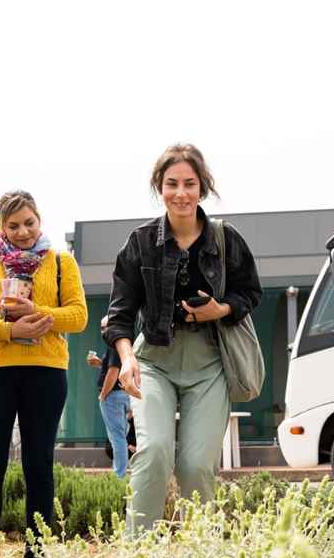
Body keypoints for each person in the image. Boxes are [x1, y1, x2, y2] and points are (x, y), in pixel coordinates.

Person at [105, 143, 262, 536]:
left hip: (209, 364)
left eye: (189, 183)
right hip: (153, 361)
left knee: (195, 466)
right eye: (171, 183)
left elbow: (250, 293)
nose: (181, 193)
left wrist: (221, 310)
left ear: (202, 187)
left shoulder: (227, 239)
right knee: (155, 452)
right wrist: (126, 358)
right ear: (160, 187)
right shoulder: (140, 242)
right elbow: (119, 315)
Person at [0, 190, 88, 558]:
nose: (23, 231)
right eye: (13, 225)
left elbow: (79, 316)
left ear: (39, 219)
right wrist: (9, 329)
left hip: (46, 372)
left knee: (38, 466)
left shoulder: (61, 262)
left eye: (29, 222)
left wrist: (39, 314)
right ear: (2, 227)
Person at [88, 315, 132, 478]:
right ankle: (121, 472)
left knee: (117, 438)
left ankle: (119, 475)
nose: (103, 331)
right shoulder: (118, 346)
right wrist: (100, 363)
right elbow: (112, 367)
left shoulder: (114, 346)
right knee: (120, 435)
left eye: (106, 327)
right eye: (101, 327)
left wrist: (103, 395)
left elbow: (113, 373)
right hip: (120, 395)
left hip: (112, 396)